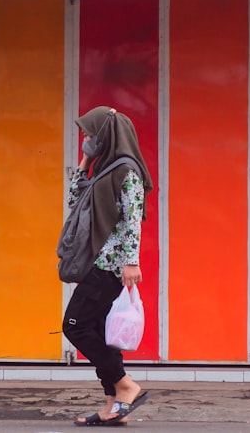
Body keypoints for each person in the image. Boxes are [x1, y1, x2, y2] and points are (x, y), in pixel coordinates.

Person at [63, 106, 153, 427]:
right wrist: (84, 164)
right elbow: (75, 201)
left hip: (111, 266)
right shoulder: (105, 167)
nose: (85, 139)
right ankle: (113, 406)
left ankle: (125, 384)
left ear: (104, 135)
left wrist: (131, 261)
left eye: (89, 134)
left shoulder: (126, 171)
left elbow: (132, 220)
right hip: (97, 262)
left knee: (75, 325)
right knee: (101, 332)